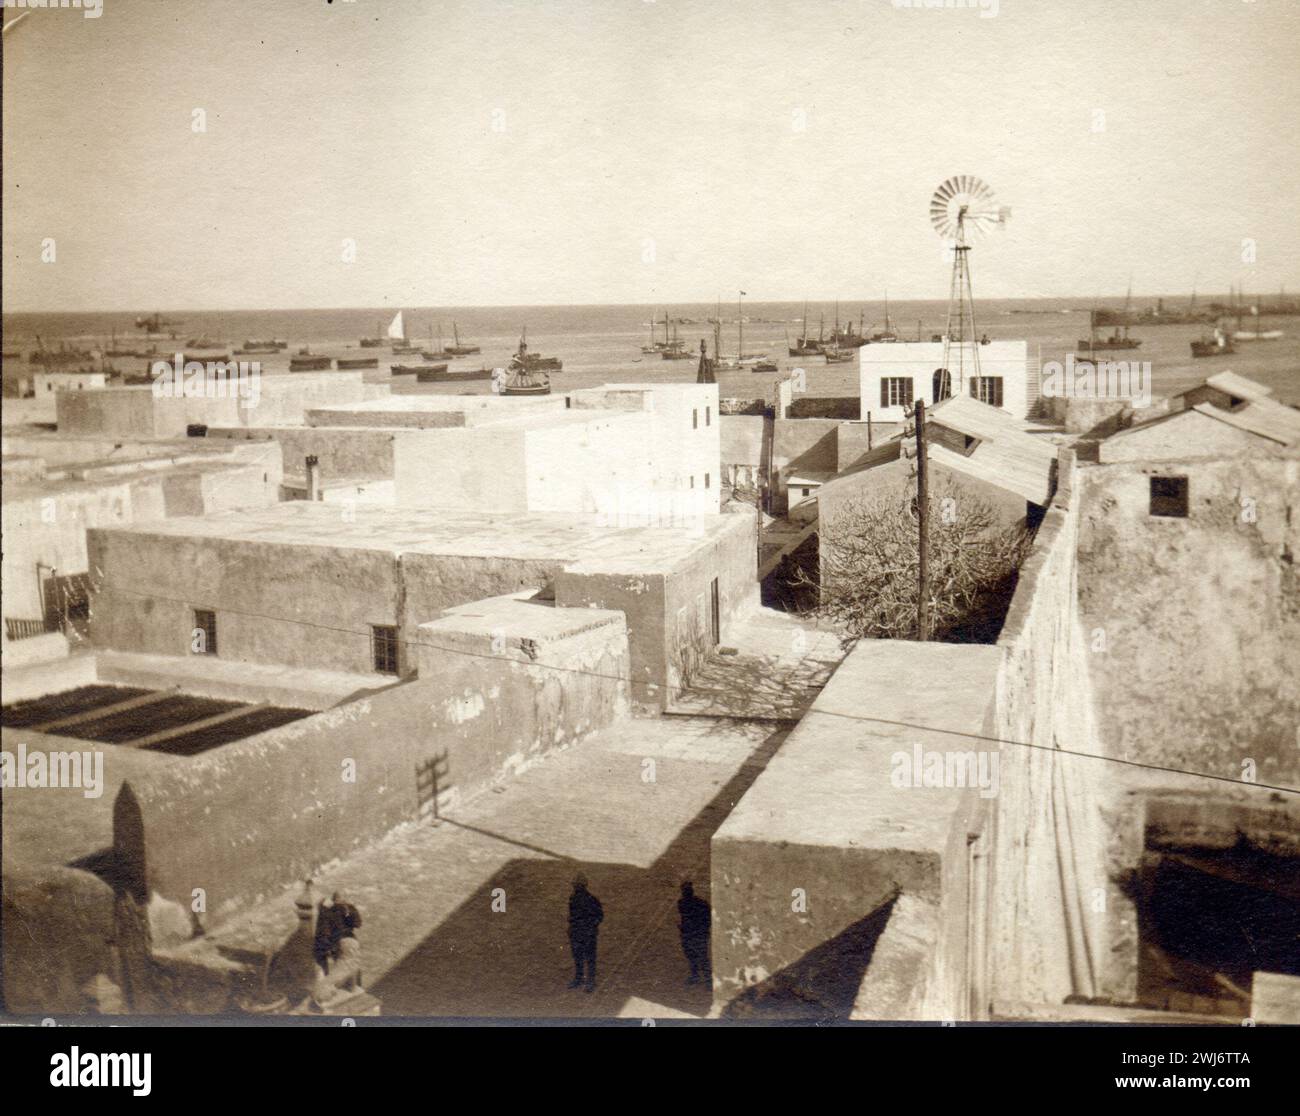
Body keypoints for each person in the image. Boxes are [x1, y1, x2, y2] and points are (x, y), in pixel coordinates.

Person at [567, 875, 604, 993]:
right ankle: (579, 978)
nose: (575, 887)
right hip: (576, 932)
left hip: (588, 933)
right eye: (574, 885)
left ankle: (590, 981)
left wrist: (591, 927)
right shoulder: (573, 898)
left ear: (583, 886)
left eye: (577, 885)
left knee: (590, 958)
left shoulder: (592, 899)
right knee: (577, 956)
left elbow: (599, 916)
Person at [313, 891, 362, 974]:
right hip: (336, 940)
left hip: (335, 940)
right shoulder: (328, 910)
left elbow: (357, 923)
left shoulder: (327, 909)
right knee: (349, 964)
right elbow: (357, 924)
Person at [677, 881, 711, 985]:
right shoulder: (702, 904)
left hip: (691, 934)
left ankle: (699, 977)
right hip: (695, 934)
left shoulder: (682, 903)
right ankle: (705, 979)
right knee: (697, 956)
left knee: (696, 956)